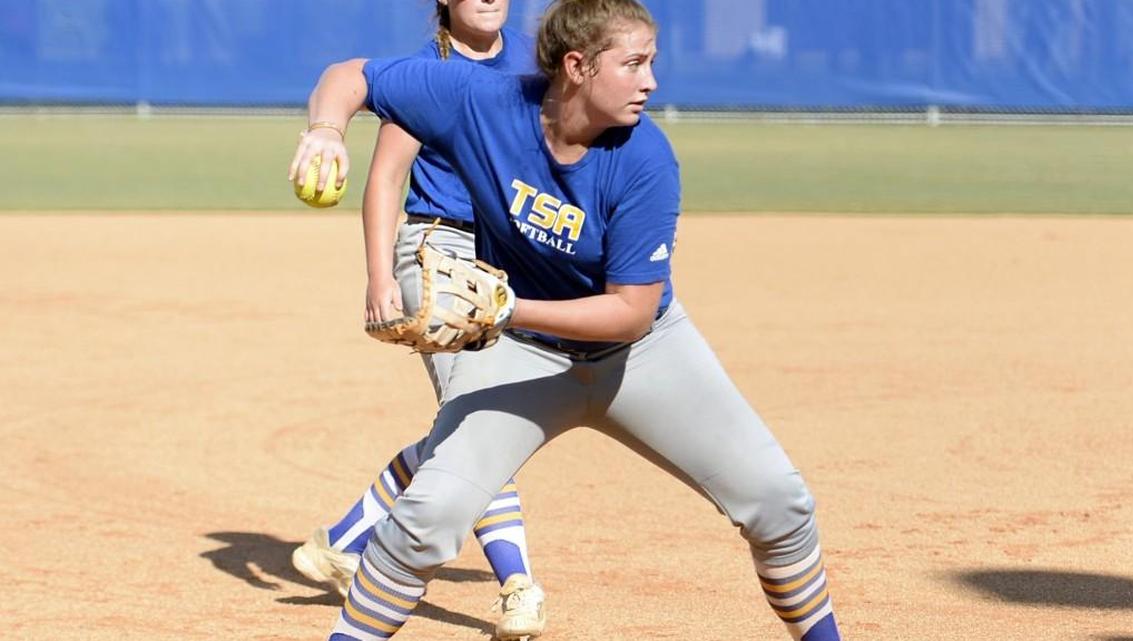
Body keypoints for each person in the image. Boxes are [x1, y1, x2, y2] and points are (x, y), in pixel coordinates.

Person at [288, 1, 844, 640]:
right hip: (520, 356)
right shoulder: (481, 101)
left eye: (651, 63)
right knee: (426, 519)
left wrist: (505, 307)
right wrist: (327, 128)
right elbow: (350, 74)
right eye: (633, 63)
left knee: (779, 502)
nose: (651, 82)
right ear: (576, 67)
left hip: (641, 356)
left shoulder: (646, 161)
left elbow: (630, 313)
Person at [289, 1, 546, 639]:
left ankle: (344, 540)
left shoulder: (536, 63)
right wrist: (380, 278)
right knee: (487, 419)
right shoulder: (428, 71)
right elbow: (385, 179)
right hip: (438, 254)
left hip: (505, 263)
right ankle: (517, 584)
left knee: (472, 425)